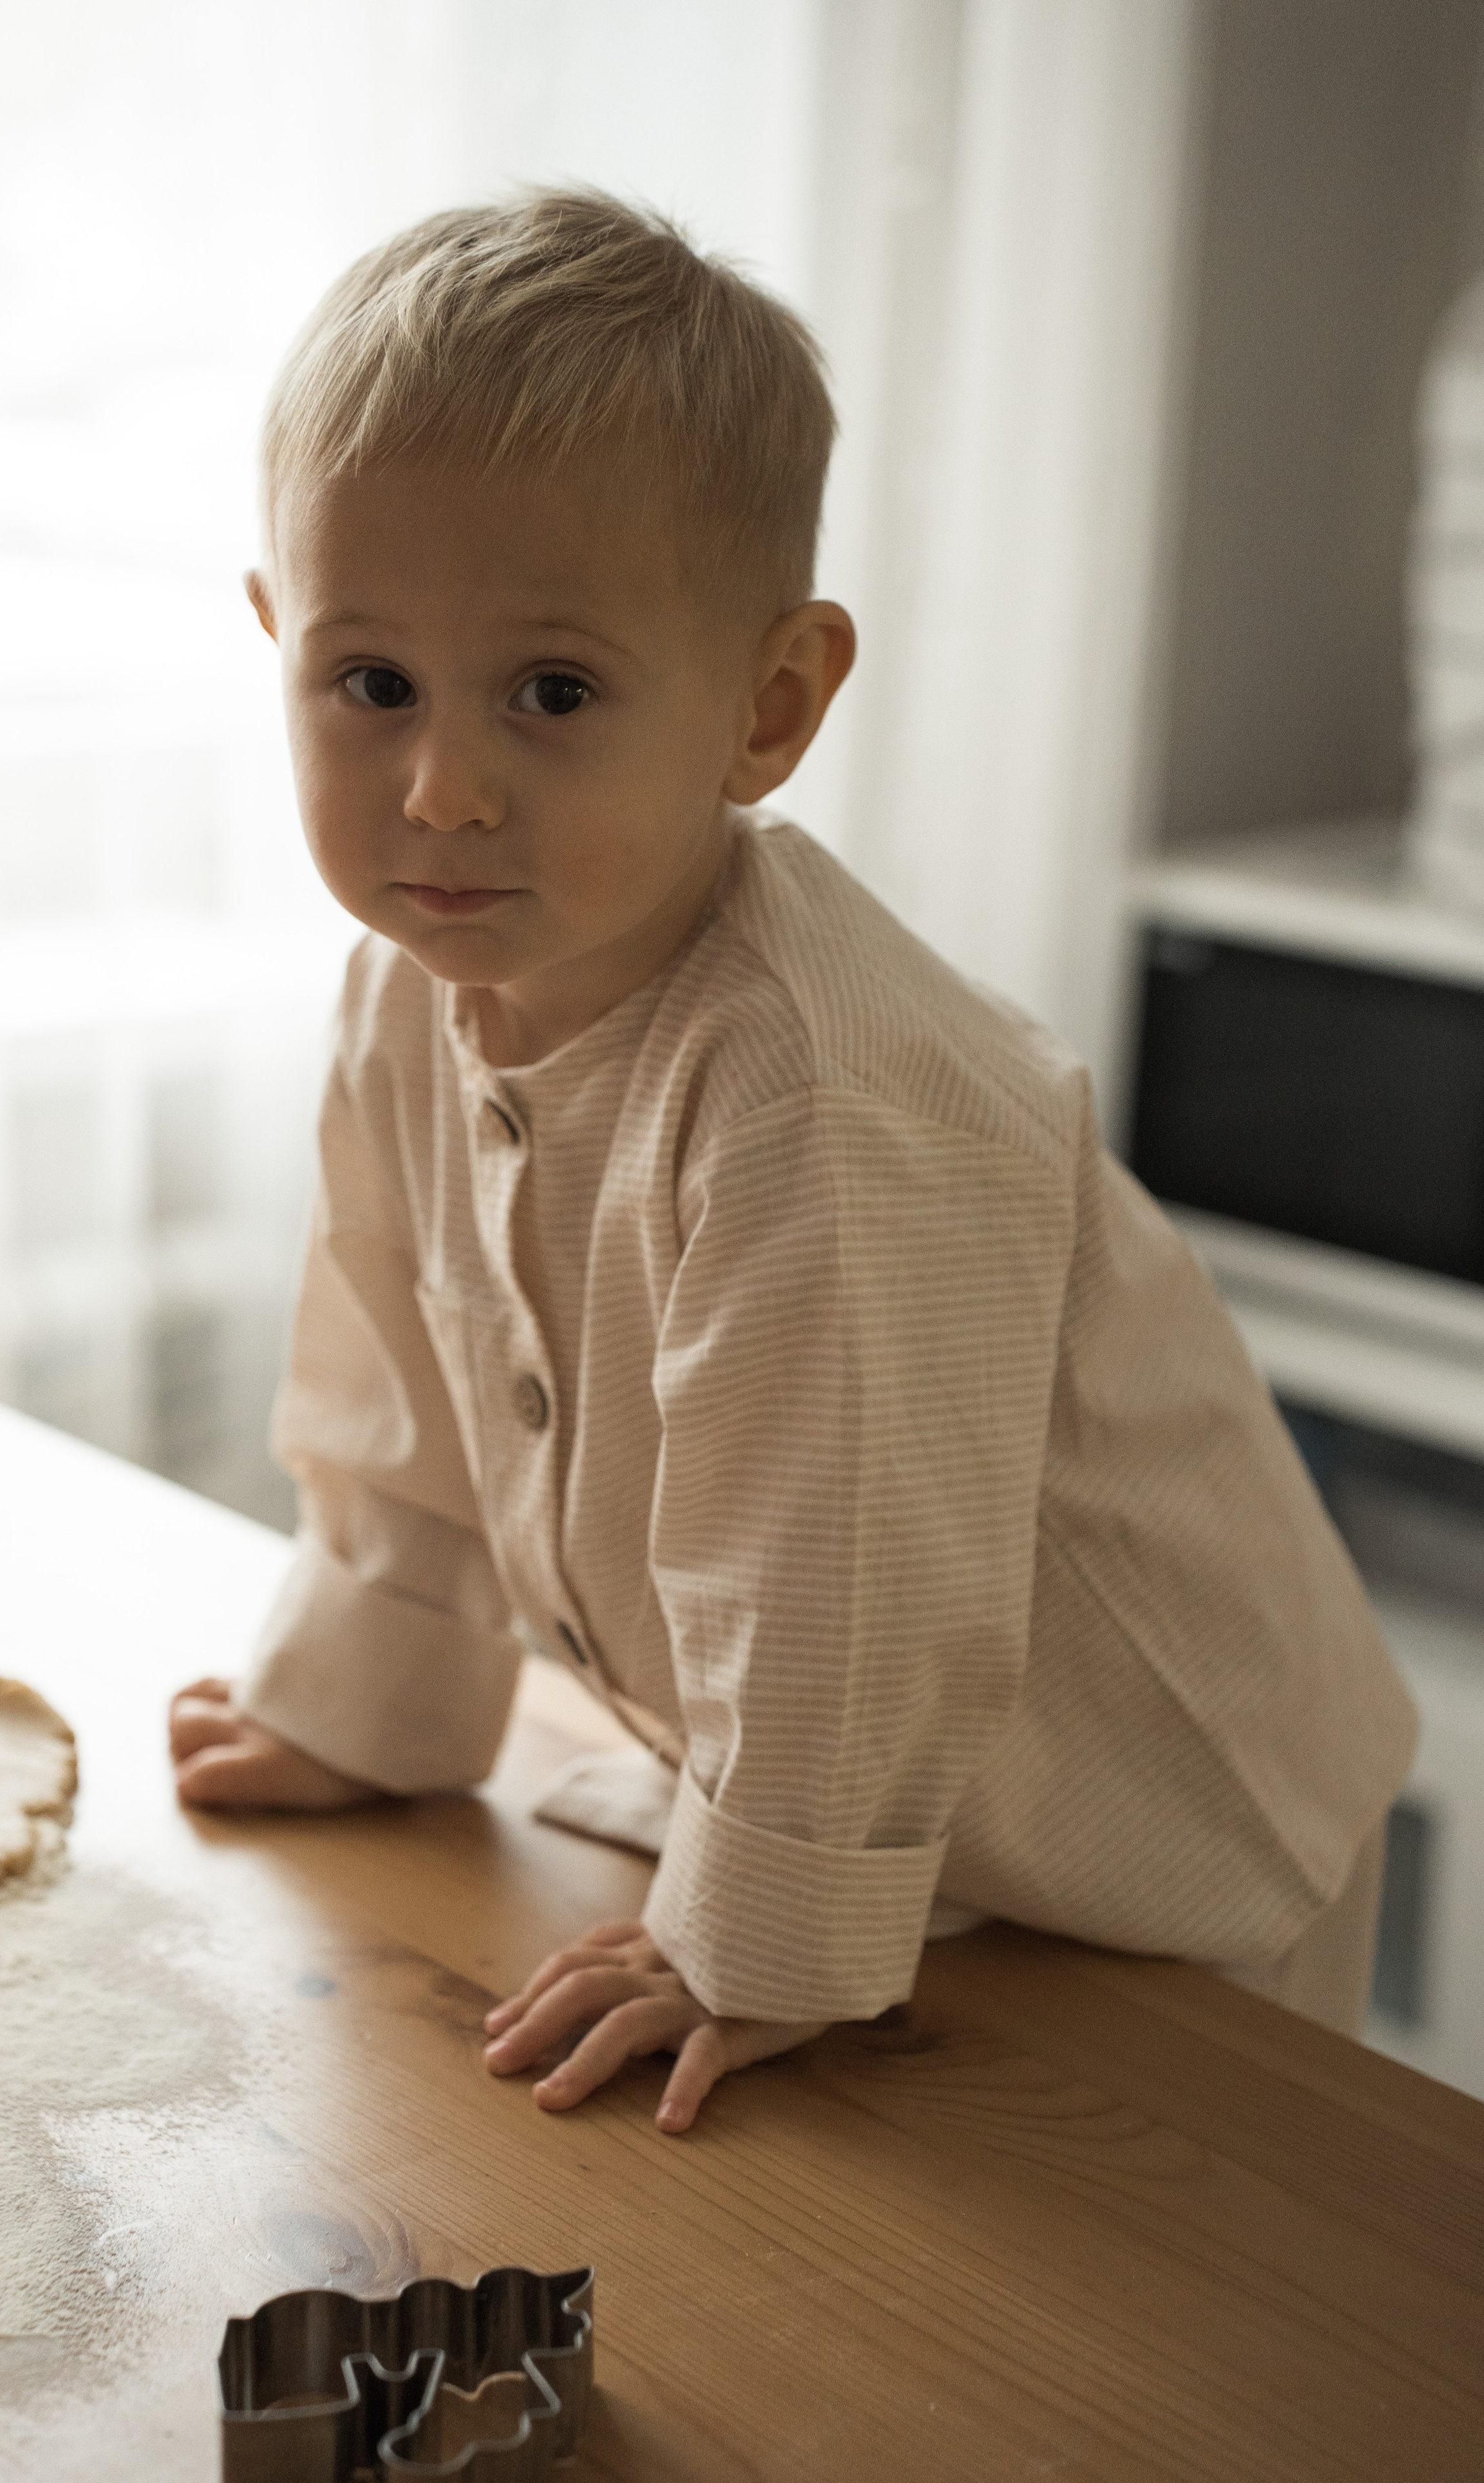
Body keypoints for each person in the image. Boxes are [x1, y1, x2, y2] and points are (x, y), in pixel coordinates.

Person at [167, 189, 1415, 2134]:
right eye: (372, 682)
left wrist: (755, 1937)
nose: (444, 788)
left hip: (1163, 1851)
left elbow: (844, 1570)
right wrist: (370, 1704)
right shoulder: (408, 989)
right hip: (885, 1804)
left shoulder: (814, 1094)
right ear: (278, 646)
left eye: (553, 695)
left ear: (770, 709)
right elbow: (400, 1401)